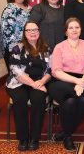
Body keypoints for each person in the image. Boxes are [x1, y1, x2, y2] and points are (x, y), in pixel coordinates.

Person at [48, 17, 84, 151]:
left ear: (81, 29)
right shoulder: (59, 47)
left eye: (77, 27)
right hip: (61, 81)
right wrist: (77, 82)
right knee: (73, 99)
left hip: (83, 79)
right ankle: (68, 137)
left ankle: (65, 133)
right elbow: (56, 71)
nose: (74, 30)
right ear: (66, 31)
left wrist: (82, 82)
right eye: (71, 28)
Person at [6, 21, 51, 151]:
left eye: (35, 29)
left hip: (40, 82)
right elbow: (15, 70)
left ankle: (35, 138)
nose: (32, 32)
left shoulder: (46, 48)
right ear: (24, 33)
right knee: (20, 100)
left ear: (39, 31)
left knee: (38, 99)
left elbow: (50, 69)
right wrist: (33, 84)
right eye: (29, 30)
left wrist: (41, 82)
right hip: (19, 83)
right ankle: (23, 138)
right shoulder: (17, 48)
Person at [1, 0, 31, 71]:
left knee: (28, 75)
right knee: (16, 77)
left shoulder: (30, 8)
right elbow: (6, 31)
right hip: (14, 49)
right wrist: (16, 49)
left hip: (28, 48)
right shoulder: (9, 9)